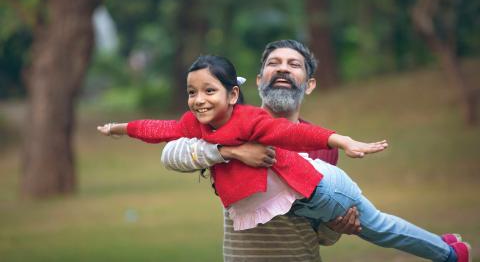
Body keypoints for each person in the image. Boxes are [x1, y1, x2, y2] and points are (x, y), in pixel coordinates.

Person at [98, 53, 470, 261]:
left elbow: (294, 134)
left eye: (209, 90)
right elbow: (161, 134)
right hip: (294, 208)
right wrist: (118, 128)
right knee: (384, 228)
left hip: (324, 190)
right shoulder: (201, 130)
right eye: (191, 92)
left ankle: (451, 254)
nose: (198, 100)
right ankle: (446, 244)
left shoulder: (252, 119)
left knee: (382, 230)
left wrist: (342, 141)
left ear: (232, 94)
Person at [160, 39, 359, 262]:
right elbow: (170, 154)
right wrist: (233, 151)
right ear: (258, 80)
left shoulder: (323, 146)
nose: (283, 68)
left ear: (310, 84)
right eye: (274, 63)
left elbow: (322, 235)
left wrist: (335, 227)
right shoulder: (230, 127)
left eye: (294, 65)